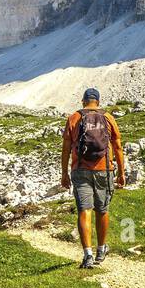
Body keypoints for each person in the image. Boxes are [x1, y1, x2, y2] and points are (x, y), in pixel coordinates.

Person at [61, 88, 125, 269]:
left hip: (80, 170)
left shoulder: (74, 117)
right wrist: (121, 172)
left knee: (84, 210)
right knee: (102, 210)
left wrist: (64, 173)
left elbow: (66, 148)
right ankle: (101, 249)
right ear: (97, 101)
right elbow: (118, 147)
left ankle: (87, 254)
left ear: (83, 101)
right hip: (104, 169)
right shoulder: (108, 117)